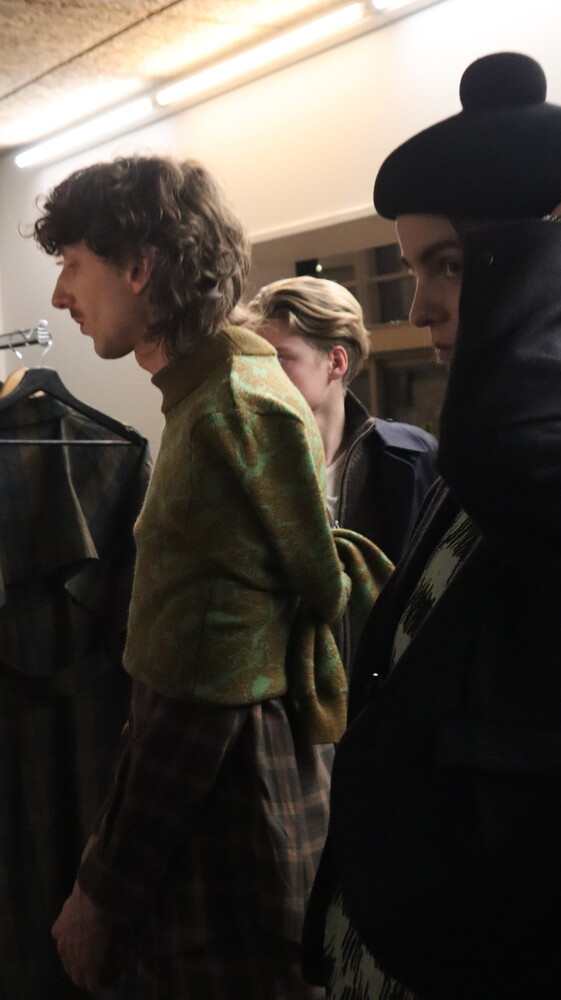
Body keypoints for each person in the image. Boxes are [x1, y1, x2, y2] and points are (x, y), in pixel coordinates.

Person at [32, 154, 391, 999]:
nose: (59, 294)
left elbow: (200, 700)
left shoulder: (226, 414)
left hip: (230, 856)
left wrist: (99, 892)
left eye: (73, 265)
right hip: (234, 834)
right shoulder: (221, 386)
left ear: (138, 267)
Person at [302, 51, 561, 1000]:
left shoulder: (515, 458)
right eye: (415, 268)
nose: (416, 309)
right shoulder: (476, 463)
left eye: (450, 264)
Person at [252, 276, 437, 669]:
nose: (262, 377)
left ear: (335, 362)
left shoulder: (409, 459)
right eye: (257, 361)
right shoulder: (248, 468)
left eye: (280, 358)